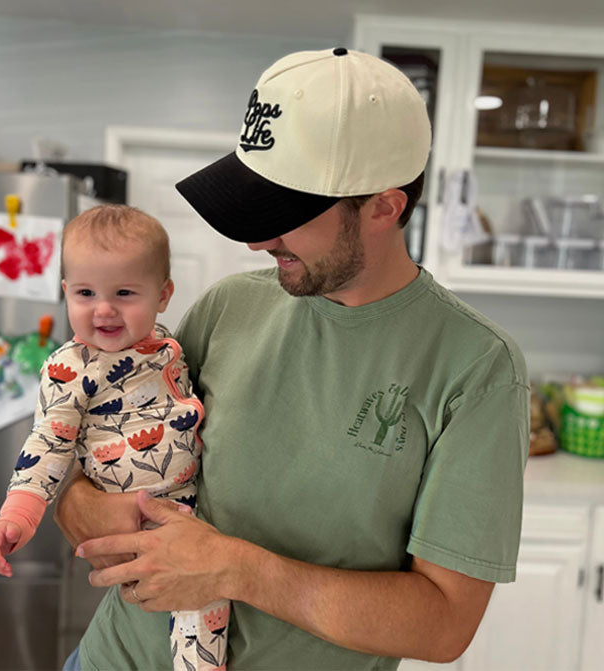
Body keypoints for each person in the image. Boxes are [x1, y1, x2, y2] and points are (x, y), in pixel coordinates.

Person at [54, 48, 527, 670]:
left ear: (384, 207)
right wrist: (87, 506)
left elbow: (443, 626)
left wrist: (239, 571)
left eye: (286, 213)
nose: (257, 239)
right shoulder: (227, 307)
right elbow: (84, 463)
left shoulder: (477, 368)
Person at [0, 205, 227, 671]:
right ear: (65, 294)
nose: (104, 308)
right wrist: (19, 513)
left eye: (125, 292)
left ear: (163, 295)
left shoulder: (166, 344)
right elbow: (47, 444)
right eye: (86, 292)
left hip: (191, 501)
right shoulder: (69, 367)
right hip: (142, 517)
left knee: (206, 598)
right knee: (200, 599)